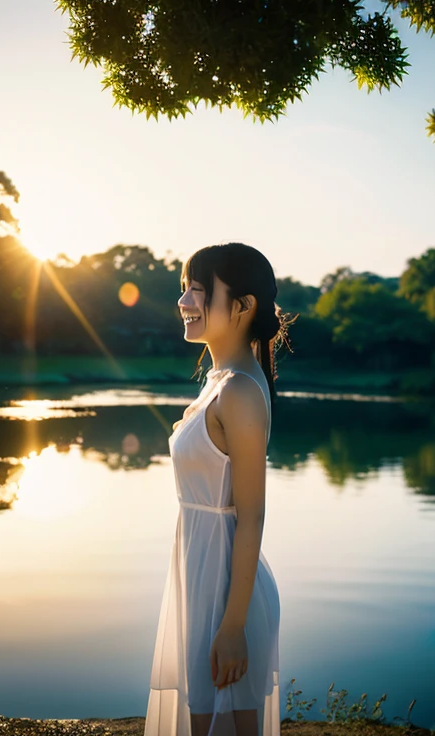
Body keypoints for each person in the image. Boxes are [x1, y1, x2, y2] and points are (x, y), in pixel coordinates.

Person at [143, 242, 296, 736]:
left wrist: (232, 627)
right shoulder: (221, 380)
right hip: (200, 573)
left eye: (200, 290)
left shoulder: (241, 392)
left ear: (244, 306)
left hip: (227, 591)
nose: (185, 301)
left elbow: (251, 515)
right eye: (184, 288)